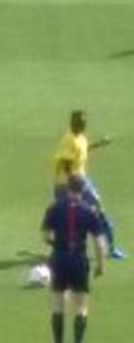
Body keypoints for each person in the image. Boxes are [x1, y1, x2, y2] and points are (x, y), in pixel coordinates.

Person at [41, 177, 107, 343]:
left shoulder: (54, 208)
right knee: (81, 307)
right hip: (79, 260)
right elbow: (100, 243)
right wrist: (101, 266)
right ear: (83, 189)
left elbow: (45, 235)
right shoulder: (90, 211)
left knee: (58, 305)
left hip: (59, 259)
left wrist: (54, 246)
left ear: (67, 188)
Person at [52, 111, 124, 259]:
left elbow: (83, 148)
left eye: (81, 123)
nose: (79, 125)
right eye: (77, 123)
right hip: (67, 184)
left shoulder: (81, 138)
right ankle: (59, 250)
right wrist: (74, 182)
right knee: (67, 216)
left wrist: (99, 144)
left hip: (78, 180)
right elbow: (66, 162)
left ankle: (111, 247)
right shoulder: (69, 139)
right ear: (72, 123)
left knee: (97, 209)